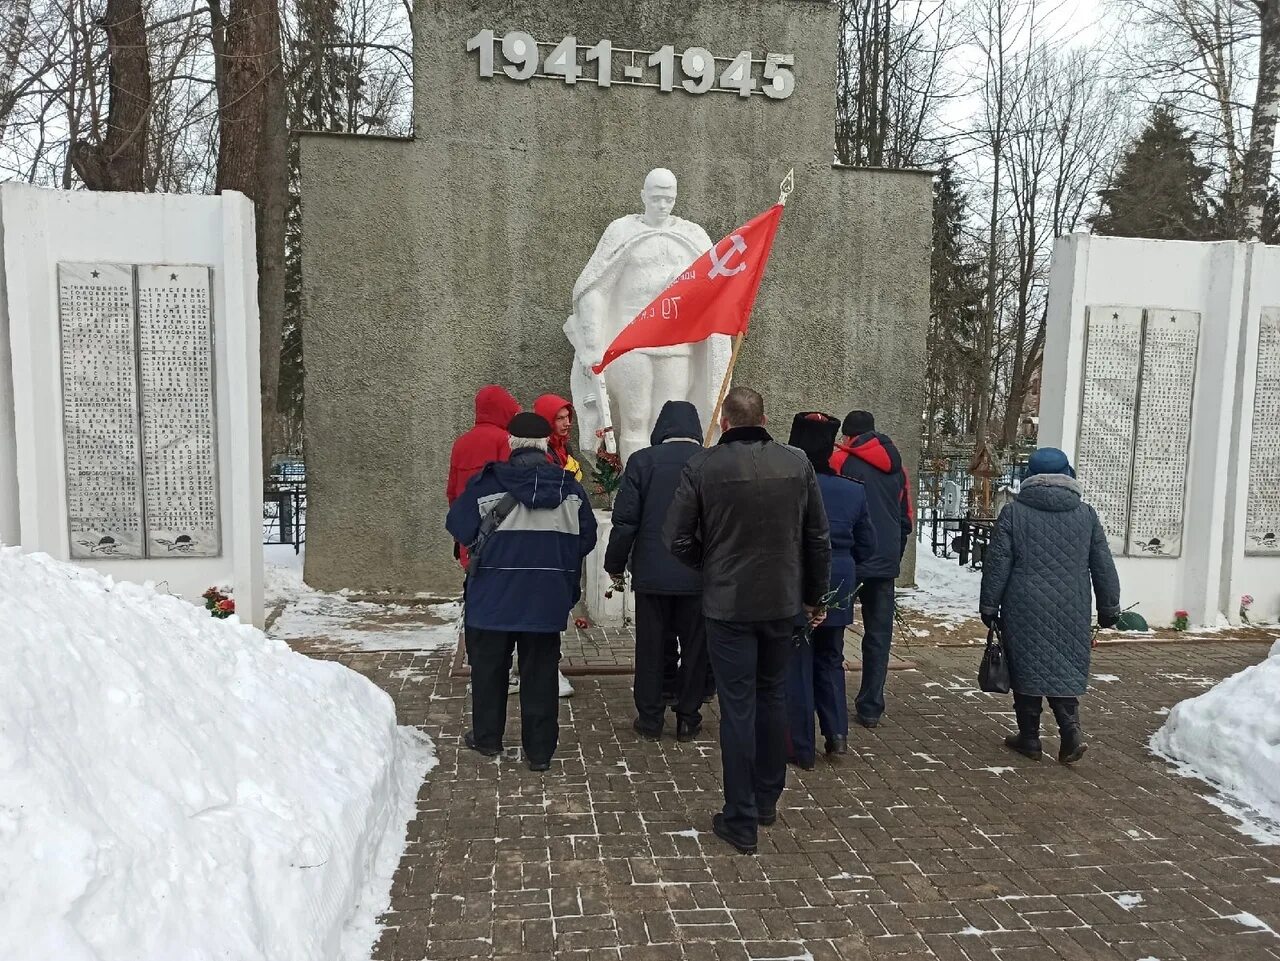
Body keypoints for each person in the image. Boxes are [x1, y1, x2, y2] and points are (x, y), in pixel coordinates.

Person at [665, 387, 831, 854]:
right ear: (764, 416)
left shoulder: (703, 465)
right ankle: (763, 800)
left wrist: (711, 565)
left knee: (740, 706)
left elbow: (675, 537)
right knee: (770, 697)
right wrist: (814, 596)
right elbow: (817, 537)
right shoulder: (795, 463)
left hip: (730, 605)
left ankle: (743, 814)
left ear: (724, 422)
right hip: (780, 602)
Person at [445, 412, 598, 772]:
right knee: (541, 674)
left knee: (489, 670)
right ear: (546, 445)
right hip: (546, 599)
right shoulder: (571, 490)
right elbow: (586, 539)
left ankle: (487, 738)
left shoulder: (486, 485)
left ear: (510, 444)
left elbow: (458, 526)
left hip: (491, 598)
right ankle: (540, 752)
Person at [979, 447, 1121, 764]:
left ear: (1029, 476)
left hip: (1024, 603)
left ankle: (1029, 738)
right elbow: (1103, 564)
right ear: (1068, 475)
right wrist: (1109, 607)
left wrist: (989, 605)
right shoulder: (1085, 514)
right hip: (1072, 603)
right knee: (1063, 665)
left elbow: (997, 564)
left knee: (1025, 665)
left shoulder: (1013, 513)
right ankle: (1070, 734)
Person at [603, 401, 708, 742]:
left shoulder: (643, 461)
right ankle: (688, 717)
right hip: (698, 574)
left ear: (661, 428)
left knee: (650, 646)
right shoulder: (709, 463)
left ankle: (650, 718)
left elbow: (626, 521)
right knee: (695, 648)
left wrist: (614, 564)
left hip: (652, 574)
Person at [784, 413, 878, 769]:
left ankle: (800, 738)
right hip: (838, 576)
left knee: (798, 659)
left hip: (795, 577)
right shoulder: (852, 490)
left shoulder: (788, 484)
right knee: (830, 659)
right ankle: (837, 735)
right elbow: (867, 546)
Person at [833, 410, 912, 728]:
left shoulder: (841, 461)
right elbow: (905, 517)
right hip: (884, 562)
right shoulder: (897, 467)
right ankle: (870, 707)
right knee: (878, 636)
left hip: (851, 560)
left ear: (848, 436)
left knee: (834, 629)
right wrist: (893, 556)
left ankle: (831, 698)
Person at [446, 385, 520, 568]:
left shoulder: (460, 443)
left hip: (468, 529)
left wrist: (459, 533)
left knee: (473, 584)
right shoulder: (506, 441)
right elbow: (512, 488)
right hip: (499, 530)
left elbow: (452, 492)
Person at [534, 393, 584, 481]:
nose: (567, 423)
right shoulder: (538, 452)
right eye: (559, 418)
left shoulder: (564, 445)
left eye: (567, 416)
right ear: (547, 421)